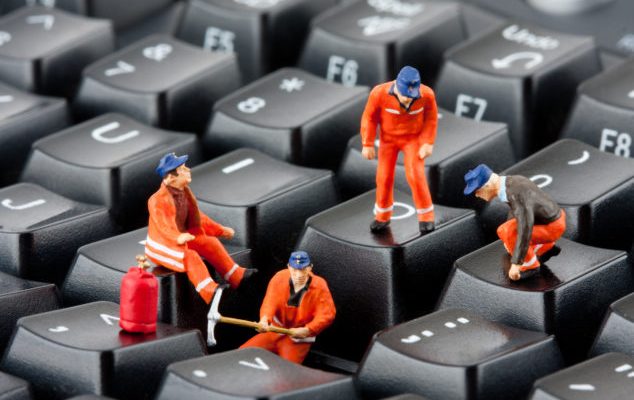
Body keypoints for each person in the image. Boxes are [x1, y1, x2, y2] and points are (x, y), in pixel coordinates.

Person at [145, 153, 256, 304]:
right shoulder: (156, 200)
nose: (188, 170)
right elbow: (163, 224)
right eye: (183, 169)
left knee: (211, 243)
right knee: (191, 257)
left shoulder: (185, 192)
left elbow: (199, 218)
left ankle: (236, 276)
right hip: (162, 245)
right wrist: (177, 237)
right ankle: (209, 291)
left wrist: (220, 230)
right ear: (171, 178)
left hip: (184, 236)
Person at [360, 65, 438, 233]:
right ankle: (382, 216)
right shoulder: (378, 93)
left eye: (412, 96)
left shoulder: (427, 95)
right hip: (388, 141)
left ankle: (426, 216)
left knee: (416, 175)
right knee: (384, 177)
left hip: (413, 140)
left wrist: (427, 142)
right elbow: (369, 118)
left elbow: (431, 119)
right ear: (397, 86)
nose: (408, 100)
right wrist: (367, 143)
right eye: (405, 96)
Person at [464, 164, 566, 281]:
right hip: (546, 221)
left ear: (488, 185)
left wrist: (516, 263)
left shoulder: (515, 194)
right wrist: (510, 243)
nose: (477, 195)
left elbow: (525, 227)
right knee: (503, 230)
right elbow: (516, 215)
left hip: (552, 226)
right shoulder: (511, 183)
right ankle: (545, 248)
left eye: (477, 191)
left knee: (511, 233)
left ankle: (529, 266)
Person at [240, 251, 336, 364]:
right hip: (273, 331)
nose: (299, 275)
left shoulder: (319, 285)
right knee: (241, 354)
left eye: (303, 270)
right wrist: (265, 319)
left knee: (287, 370)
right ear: (289, 267)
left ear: (310, 268)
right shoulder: (279, 277)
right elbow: (270, 301)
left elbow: (327, 313)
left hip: (297, 339)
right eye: (295, 270)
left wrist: (308, 329)